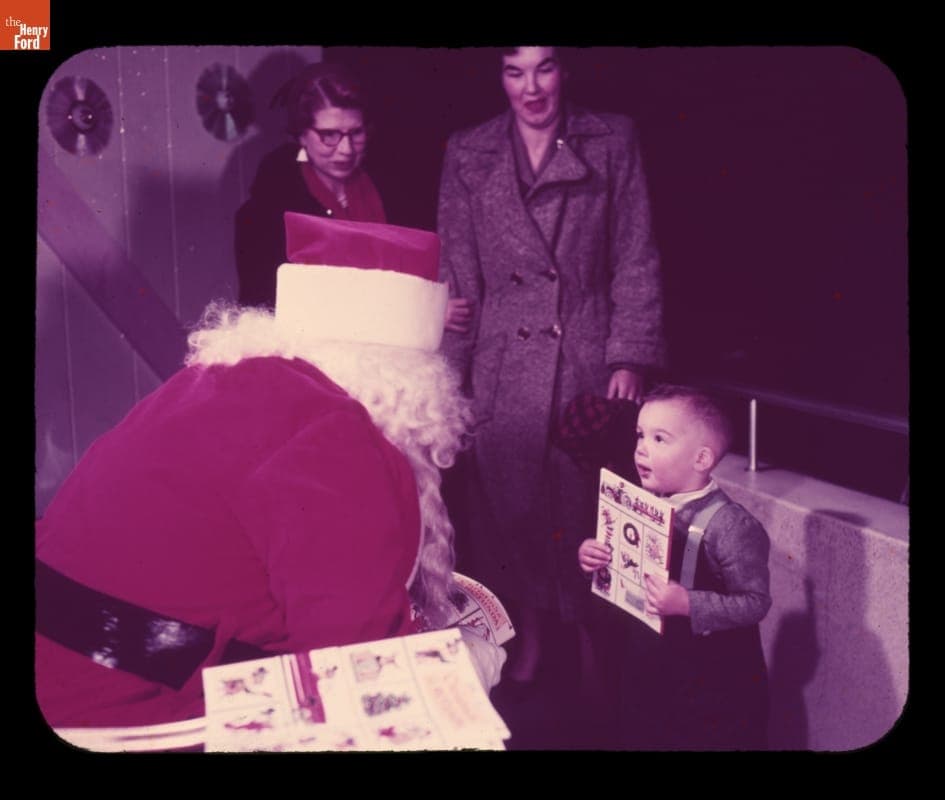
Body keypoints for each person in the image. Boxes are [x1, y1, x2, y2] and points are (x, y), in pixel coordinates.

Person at [36, 213, 504, 732]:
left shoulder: (219, 379)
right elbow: (357, 665)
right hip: (126, 705)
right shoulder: (338, 433)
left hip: (64, 660)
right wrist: (468, 664)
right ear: (413, 382)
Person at [437, 46, 665, 687]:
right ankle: (530, 640)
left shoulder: (611, 138)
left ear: (564, 71)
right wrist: (451, 388)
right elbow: (458, 277)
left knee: (586, 513)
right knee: (510, 516)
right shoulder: (468, 151)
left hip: (584, 359)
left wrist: (630, 354)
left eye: (544, 68)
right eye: (514, 71)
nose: (531, 87)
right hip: (502, 365)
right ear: (499, 77)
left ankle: (596, 649)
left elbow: (635, 253)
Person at [578, 385, 772, 749]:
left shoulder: (731, 526)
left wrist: (688, 603)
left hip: (710, 679)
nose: (641, 448)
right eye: (640, 434)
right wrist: (595, 556)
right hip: (649, 663)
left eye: (659, 438)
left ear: (701, 459)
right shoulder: (638, 504)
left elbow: (755, 602)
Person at [235, 61, 470, 331]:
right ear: (301, 135)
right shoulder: (267, 210)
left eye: (356, 133)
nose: (346, 149)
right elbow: (267, 311)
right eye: (329, 135)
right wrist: (421, 313)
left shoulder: (394, 188)